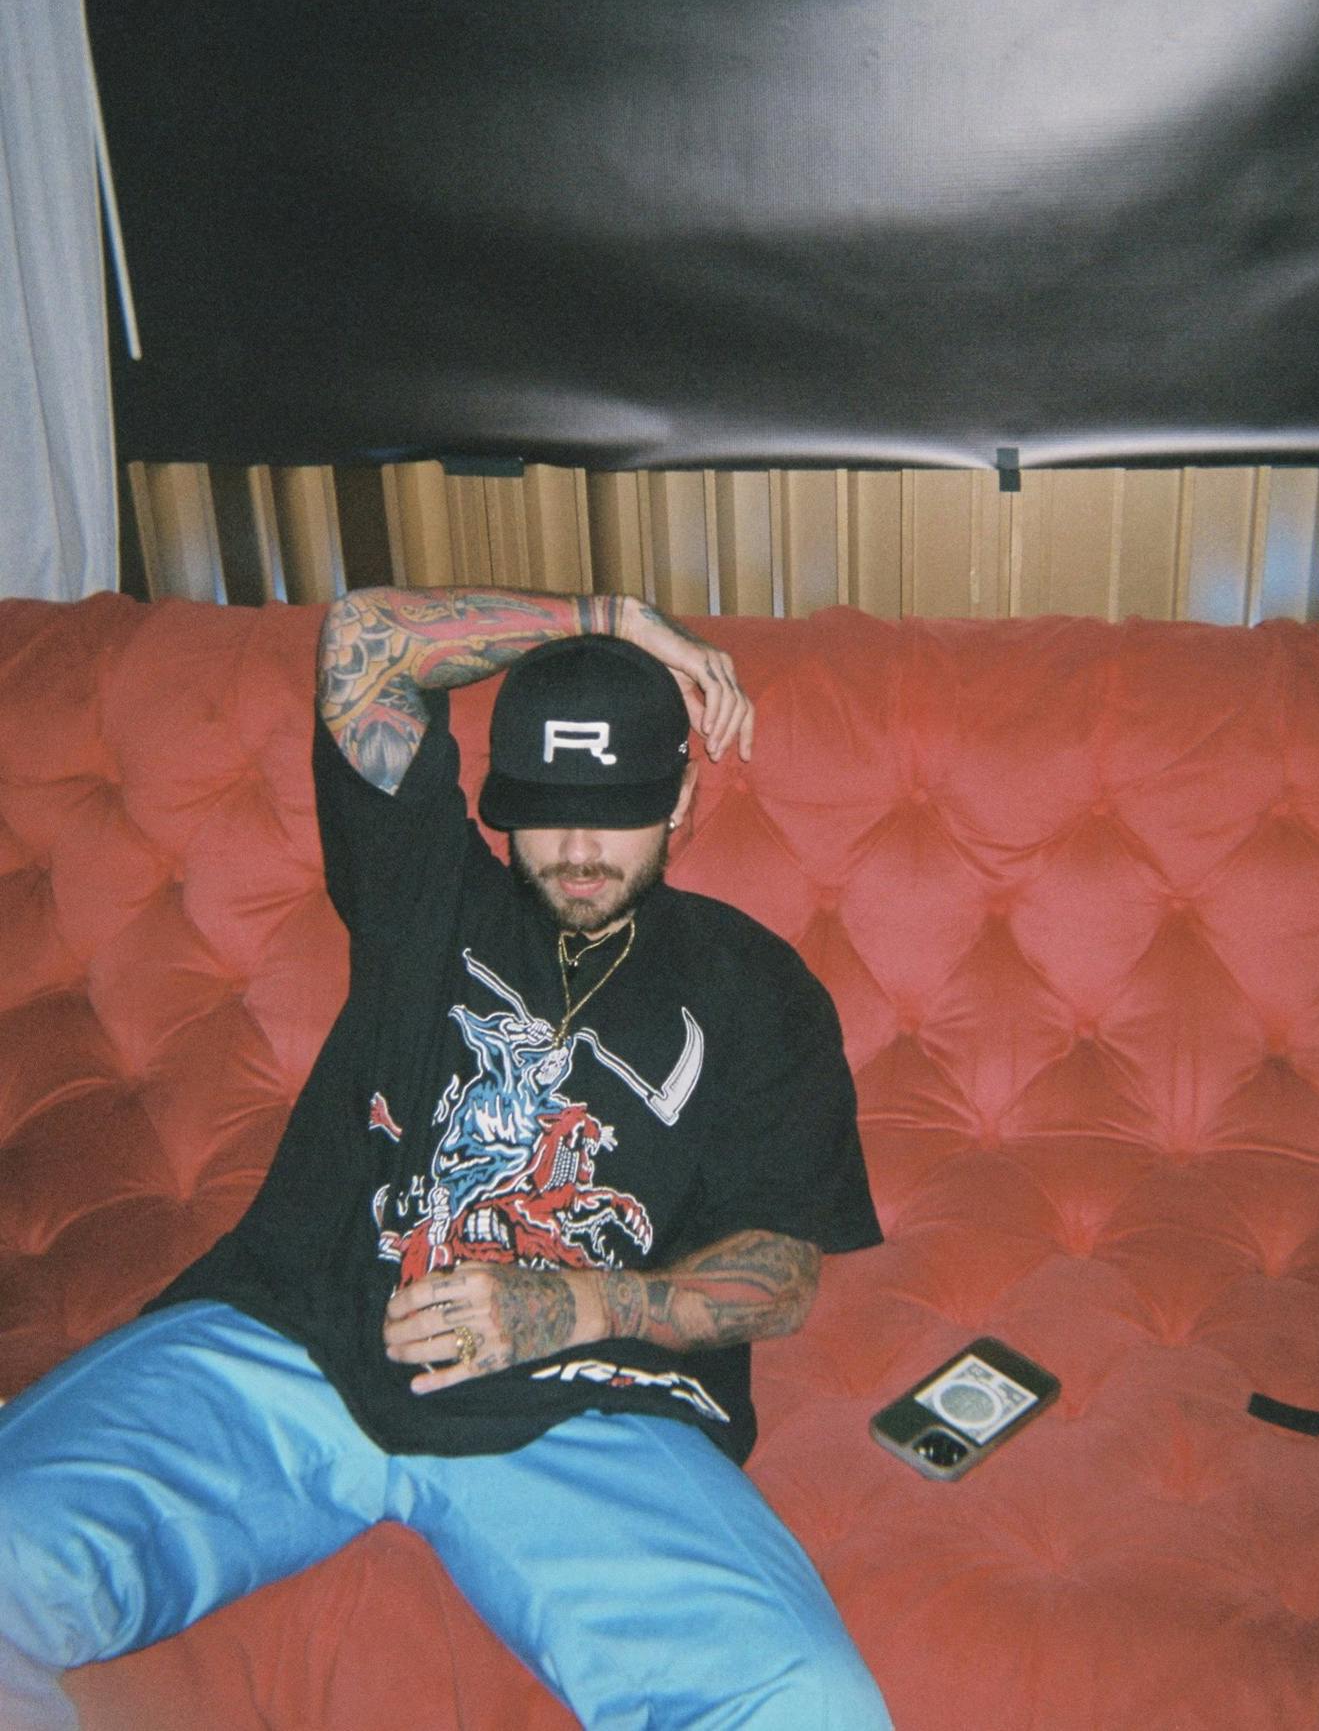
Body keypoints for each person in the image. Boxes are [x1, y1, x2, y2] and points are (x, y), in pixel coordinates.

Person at [0, 584, 891, 1730]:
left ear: (682, 794)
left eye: (618, 811)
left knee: (811, 1703)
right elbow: (366, 640)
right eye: (546, 813)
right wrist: (612, 620)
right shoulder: (425, 885)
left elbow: (780, 1271)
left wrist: (569, 1307)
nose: (578, 850)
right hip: (304, 1337)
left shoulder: (758, 989)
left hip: (587, 1405)